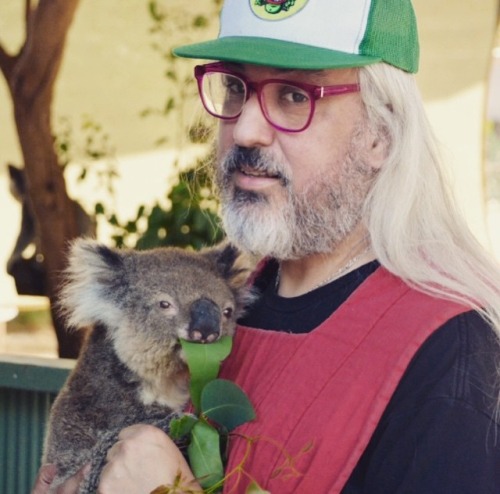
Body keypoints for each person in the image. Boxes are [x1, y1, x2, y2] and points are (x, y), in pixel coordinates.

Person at [33, 0, 500, 492]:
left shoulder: (446, 350)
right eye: (235, 88)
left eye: (295, 96)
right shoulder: (227, 300)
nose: (246, 130)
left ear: (381, 134)